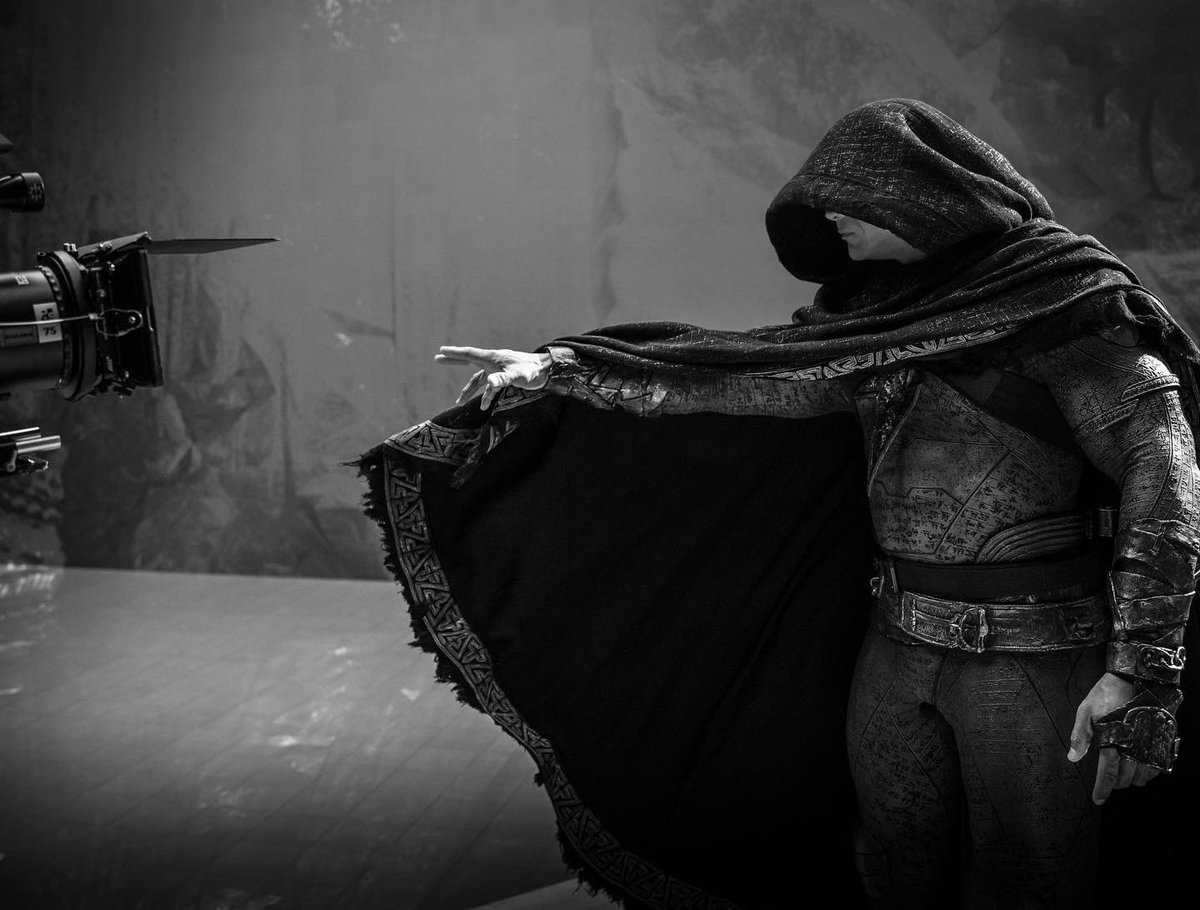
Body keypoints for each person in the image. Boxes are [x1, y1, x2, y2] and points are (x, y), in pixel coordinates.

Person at [362, 99, 1198, 908]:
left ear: (912, 191)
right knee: (887, 867)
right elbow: (742, 378)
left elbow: (1163, 472)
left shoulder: (1063, 304)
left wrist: (1143, 675)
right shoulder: (869, 317)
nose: (826, 216)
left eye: (846, 197)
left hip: (1037, 654)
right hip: (895, 644)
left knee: (1031, 883)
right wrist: (564, 371)